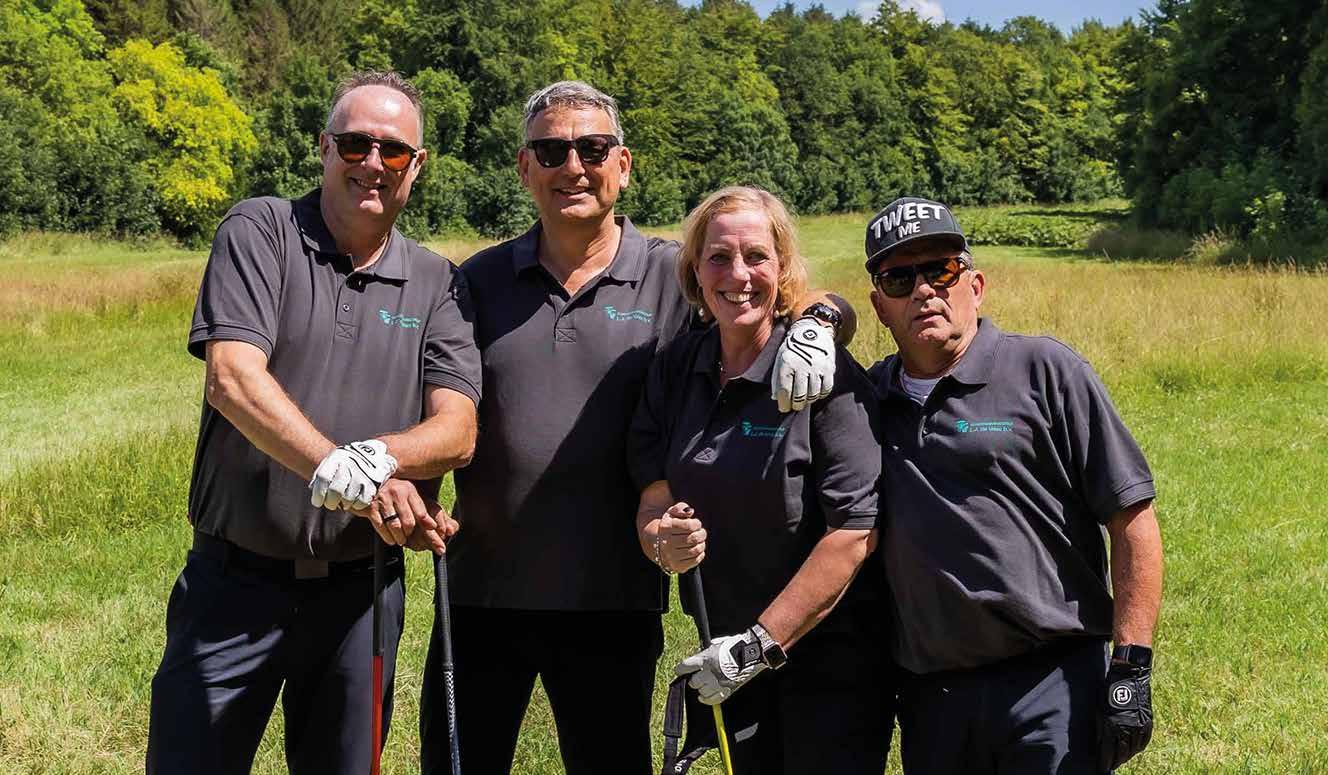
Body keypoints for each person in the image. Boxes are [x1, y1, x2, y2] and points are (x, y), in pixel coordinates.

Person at [419, 81, 843, 775]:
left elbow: (781, 292)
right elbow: (441, 400)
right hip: (482, 592)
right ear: (524, 167)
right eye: (551, 151)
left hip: (613, 597)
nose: (573, 167)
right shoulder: (478, 279)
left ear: (623, 164)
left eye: (592, 149)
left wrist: (822, 323)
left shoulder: (676, 274)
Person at [146, 71, 481, 775]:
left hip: (360, 596)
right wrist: (339, 468)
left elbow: (457, 429)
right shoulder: (261, 229)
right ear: (324, 148)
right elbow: (233, 378)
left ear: (417, 165)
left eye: (394, 150)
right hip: (233, 584)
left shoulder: (437, 281)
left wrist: (375, 460)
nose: (373, 163)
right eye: (355, 144)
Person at [862, 196, 1164, 774]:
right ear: (880, 306)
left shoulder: (1044, 370)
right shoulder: (867, 399)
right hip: (931, 696)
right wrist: (821, 319)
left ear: (975, 285)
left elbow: (1132, 518)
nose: (923, 291)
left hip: (1050, 682)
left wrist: (1131, 667)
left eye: (941, 271)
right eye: (899, 279)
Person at [627, 186, 894, 774]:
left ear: (783, 268)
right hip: (725, 651)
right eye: (719, 257)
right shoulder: (677, 367)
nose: (738, 275)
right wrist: (662, 541)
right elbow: (654, 500)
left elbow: (855, 533)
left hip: (828, 661)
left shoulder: (820, 370)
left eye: (756, 257)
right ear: (695, 270)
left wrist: (760, 644)